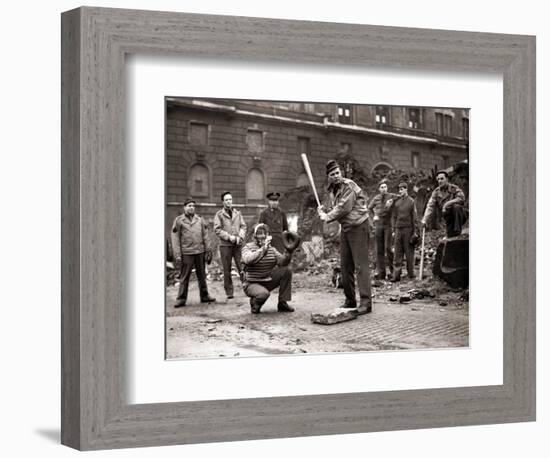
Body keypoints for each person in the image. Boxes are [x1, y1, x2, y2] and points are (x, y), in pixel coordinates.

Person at [317, 160, 372, 315]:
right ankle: (350, 300)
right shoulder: (332, 189)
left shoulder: (349, 186)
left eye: (337, 173)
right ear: (328, 176)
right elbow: (335, 207)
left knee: (361, 266)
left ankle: (366, 303)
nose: (336, 176)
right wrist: (324, 209)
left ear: (341, 173)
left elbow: (343, 208)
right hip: (347, 228)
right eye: (332, 174)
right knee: (345, 265)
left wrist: (326, 216)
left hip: (359, 226)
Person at [170, 198, 216, 307]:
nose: (191, 207)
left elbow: (205, 235)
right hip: (187, 252)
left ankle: (204, 296)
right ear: (184, 207)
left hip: (199, 251)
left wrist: (208, 250)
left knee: (202, 275)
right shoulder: (179, 220)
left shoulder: (199, 219)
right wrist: (177, 254)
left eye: (193, 206)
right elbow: (175, 238)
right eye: (189, 205)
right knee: (185, 276)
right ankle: (181, 298)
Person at [241, 223, 296, 314]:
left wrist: (289, 251)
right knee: (263, 294)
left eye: (264, 233)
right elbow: (248, 260)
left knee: (286, 271)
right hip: (251, 283)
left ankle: (282, 303)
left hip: (267, 280)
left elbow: (282, 263)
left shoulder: (271, 249)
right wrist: (263, 249)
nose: (262, 236)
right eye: (259, 233)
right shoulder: (247, 247)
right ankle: (255, 303)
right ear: (254, 236)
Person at [213, 191, 247, 300]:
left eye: (230, 199)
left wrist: (240, 236)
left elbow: (243, 226)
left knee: (242, 266)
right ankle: (229, 292)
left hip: (237, 245)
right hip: (225, 246)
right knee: (227, 269)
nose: (229, 202)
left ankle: (248, 288)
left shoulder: (237, 213)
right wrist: (229, 237)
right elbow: (217, 229)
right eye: (226, 200)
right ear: (223, 202)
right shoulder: (219, 214)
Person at [421, 171, 468, 237]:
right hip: (448, 217)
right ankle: (453, 233)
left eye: (442, 179)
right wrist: (424, 220)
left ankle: (457, 231)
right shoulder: (436, 192)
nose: (440, 181)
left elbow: (461, 198)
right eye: (438, 179)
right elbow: (430, 206)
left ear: (447, 179)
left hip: (460, 215)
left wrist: (447, 204)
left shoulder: (453, 188)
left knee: (456, 207)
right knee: (450, 237)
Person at [368, 180, 398, 280]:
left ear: (387, 188)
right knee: (379, 250)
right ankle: (381, 272)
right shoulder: (376, 198)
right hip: (378, 225)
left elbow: (400, 198)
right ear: (379, 189)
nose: (383, 189)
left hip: (388, 224)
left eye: (385, 187)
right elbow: (369, 209)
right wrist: (374, 216)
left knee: (388, 248)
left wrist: (392, 203)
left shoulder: (391, 196)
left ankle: (394, 271)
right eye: (381, 187)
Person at [390, 182, 419, 282]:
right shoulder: (397, 203)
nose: (400, 191)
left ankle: (411, 274)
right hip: (398, 229)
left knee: (409, 252)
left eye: (402, 189)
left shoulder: (411, 201)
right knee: (397, 252)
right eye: (399, 189)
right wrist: (393, 229)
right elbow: (394, 216)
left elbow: (414, 218)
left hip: (408, 229)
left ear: (406, 189)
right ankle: (396, 275)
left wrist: (415, 232)